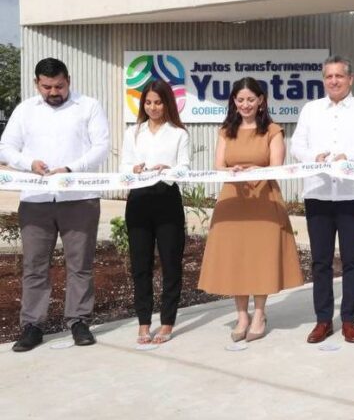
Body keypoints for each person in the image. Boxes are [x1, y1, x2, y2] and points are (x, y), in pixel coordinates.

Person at [0, 58, 110, 352]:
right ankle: (33, 326)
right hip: (36, 200)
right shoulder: (25, 110)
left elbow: (101, 147)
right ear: (37, 83)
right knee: (34, 266)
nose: (53, 92)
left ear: (68, 80)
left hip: (79, 199)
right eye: (47, 86)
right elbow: (6, 147)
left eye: (59, 86)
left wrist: (71, 169)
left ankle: (79, 321)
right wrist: (28, 163)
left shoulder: (88, 106)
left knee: (80, 265)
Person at [197, 77, 302, 342]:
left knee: (260, 256)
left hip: (263, 200)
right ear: (234, 101)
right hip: (233, 200)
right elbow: (218, 165)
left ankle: (260, 314)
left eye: (251, 100)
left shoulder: (273, 131)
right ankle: (242, 315)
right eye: (241, 100)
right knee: (237, 256)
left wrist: (259, 170)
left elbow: (277, 167)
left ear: (261, 101)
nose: (245, 105)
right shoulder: (226, 131)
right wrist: (229, 170)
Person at [292, 56, 354, 344]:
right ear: (324, 80)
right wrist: (313, 156)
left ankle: (349, 321)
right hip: (318, 193)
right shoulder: (310, 110)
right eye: (329, 76)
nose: (334, 81)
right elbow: (297, 145)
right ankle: (323, 320)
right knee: (320, 261)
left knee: (352, 260)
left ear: (350, 79)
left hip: (350, 194)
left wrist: (350, 158)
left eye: (339, 76)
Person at [120, 79, 190, 345]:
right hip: (138, 200)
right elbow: (124, 166)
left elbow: (184, 167)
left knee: (171, 263)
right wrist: (134, 169)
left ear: (167, 103)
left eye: (158, 102)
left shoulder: (178, 133)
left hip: (166, 199)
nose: (153, 107)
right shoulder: (133, 132)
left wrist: (168, 169)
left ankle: (168, 321)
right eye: (148, 102)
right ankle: (144, 322)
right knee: (141, 264)